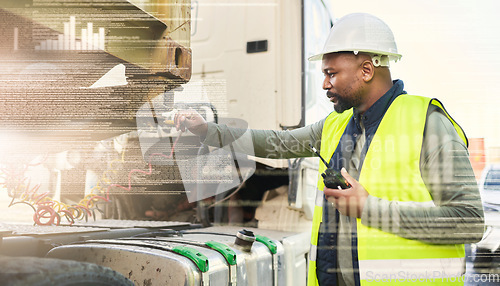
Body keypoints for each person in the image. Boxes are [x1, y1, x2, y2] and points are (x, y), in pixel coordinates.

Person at [175, 13, 485, 286]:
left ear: (366, 70)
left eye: (332, 73)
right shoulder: (336, 125)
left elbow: (470, 221)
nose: (324, 84)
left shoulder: (427, 124)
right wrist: (207, 130)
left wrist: (369, 208)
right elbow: (277, 143)